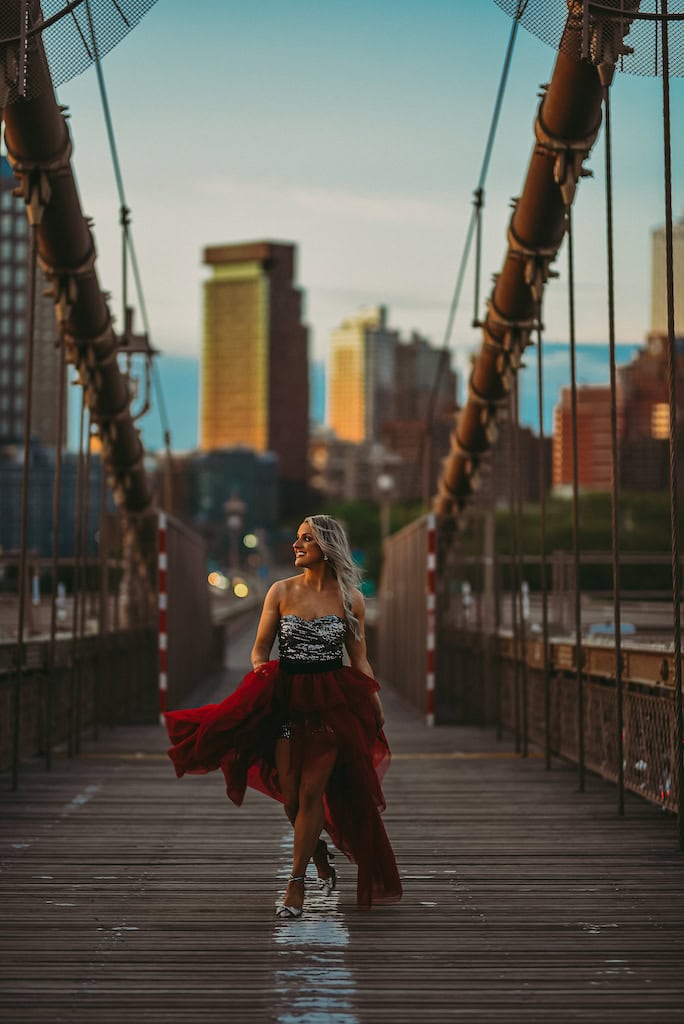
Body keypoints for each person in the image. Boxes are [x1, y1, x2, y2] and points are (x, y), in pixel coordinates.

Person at [164, 514, 402, 917]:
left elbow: (359, 661)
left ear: (325, 547)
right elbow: (260, 648)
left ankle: (295, 885)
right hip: (287, 699)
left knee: (312, 792)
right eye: (296, 538)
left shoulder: (350, 599)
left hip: (331, 704)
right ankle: (318, 852)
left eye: (305, 539)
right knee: (292, 798)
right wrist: (260, 667)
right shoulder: (279, 591)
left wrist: (374, 705)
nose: (296, 545)